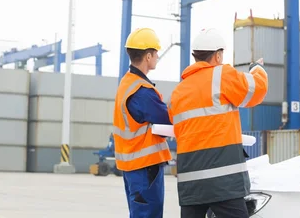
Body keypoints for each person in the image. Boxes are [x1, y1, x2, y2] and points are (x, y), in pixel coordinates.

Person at [167, 28, 268, 218]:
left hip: (191, 185)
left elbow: (181, 126)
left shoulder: (178, 92)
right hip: (224, 183)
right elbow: (257, 90)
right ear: (218, 55)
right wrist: (257, 68)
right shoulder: (221, 75)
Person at [113, 27, 173, 218]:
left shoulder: (127, 83)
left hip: (132, 167)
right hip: (145, 168)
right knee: (149, 214)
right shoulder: (142, 91)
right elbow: (168, 121)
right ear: (148, 56)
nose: (157, 56)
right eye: (156, 52)